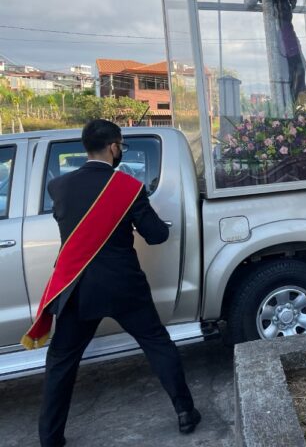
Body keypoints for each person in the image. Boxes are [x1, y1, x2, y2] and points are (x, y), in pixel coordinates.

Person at [31, 120, 200, 447]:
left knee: (61, 362)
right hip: (124, 287)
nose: (121, 150)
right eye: (121, 145)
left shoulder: (60, 188)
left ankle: (50, 438)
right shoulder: (128, 187)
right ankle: (185, 413)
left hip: (78, 286)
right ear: (113, 147)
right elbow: (156, 235)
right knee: (157, 344)